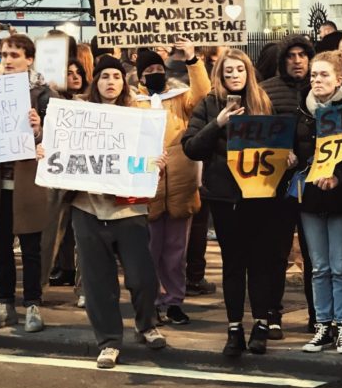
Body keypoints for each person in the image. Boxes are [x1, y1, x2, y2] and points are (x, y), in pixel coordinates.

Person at [38, 55, 168, 369]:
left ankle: (146, 325)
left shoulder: (139, 118)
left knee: (142, 278)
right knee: (98, 282)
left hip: (129, 210)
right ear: (96, 82)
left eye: (116, 76)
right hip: (88, 209)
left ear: (124, 82)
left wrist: (157, 166)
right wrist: (45, 149)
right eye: (105, 76)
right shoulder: (76, 115)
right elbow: (58, 151)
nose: (111, 81)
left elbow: (145, 162)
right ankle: (109, 342)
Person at [182, 49, 294, 356]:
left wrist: (287, 156)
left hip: (260, 196)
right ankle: (234, 329)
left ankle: (260, 325)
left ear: (248, 73)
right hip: (225, 197)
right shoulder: (209, 104)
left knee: (260, 263)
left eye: (239, 70)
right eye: (228, 71)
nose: (234, 75)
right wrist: (217, 123)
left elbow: (276, 144)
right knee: (233, 264)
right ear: (219, 75)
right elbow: (191, 148)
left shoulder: (262, 102)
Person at [0, 35, 57, 333]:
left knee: (31, 249)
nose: (7, 60)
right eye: (5, 54)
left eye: (14, 55)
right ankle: (5, 305)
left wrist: (39, 130)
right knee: (0, 248)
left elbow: (58, 139)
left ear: (29, 59)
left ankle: (33, 304)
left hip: (29, 184)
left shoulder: (44, 95)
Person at [134, 39, 211, 326]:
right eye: (149, 71)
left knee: (177, 253)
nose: (155, 73)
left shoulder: (179, 98)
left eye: (159, 69)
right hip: (147, 189)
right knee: (149, 252)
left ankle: (174, 301)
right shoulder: (133, 102)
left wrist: (192, 60)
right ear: (140, 76)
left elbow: (203, 95)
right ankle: (151, 301)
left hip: (180, 187)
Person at [295, 51, 342, 354]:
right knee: (319, 266)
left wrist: (338, 176)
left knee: (341, 265)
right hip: (309, 198)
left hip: (341, 198)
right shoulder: (301, 111)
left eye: (323, 75)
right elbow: (295, 149)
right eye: (313, 75)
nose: (316, 80)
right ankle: (323, 325)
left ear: (339, 79)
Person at [259, 34, 316, 338]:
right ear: (282, 61)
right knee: (276, 252)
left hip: (314, 182)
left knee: (314, 254)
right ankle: (272, 314)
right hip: (278, 185)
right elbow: (259, 133)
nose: (297, 61)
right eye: (291, 56)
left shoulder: (319, 86)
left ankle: (318, 316)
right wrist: (280, 152)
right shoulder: (267, 90)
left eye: (302, 55)